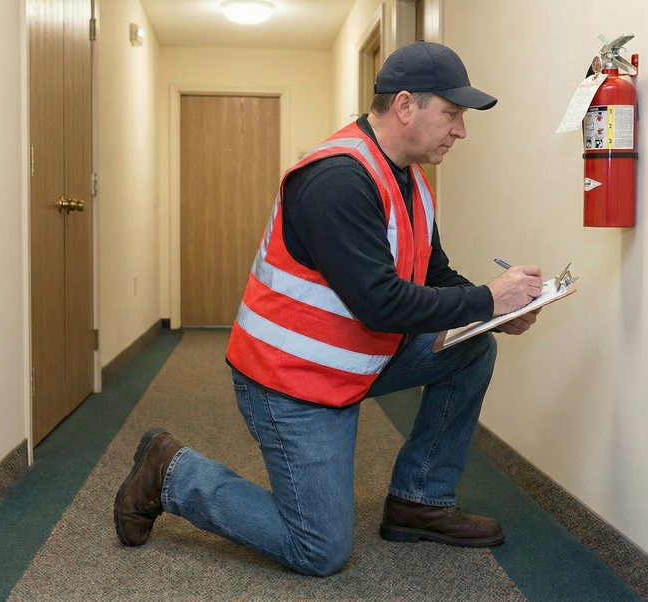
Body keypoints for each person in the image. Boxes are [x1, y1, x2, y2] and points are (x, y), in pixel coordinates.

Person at [114, 41, 544, 577]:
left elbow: (432, 275)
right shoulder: (337, 180)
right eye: (453, 115)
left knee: (472, 348)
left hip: (355, 361)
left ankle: (421, 501)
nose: (461, 131)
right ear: (406, 106)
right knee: (320, 550)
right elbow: (380, 305)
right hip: (289, 382)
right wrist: (487, 297)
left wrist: (495, 312)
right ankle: (171, 473)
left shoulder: (410, 179)